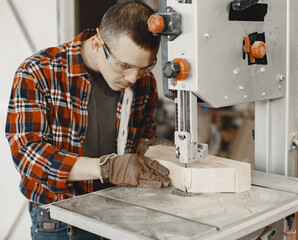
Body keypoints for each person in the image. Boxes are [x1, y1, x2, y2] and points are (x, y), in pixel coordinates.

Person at [5, 1, 173, 239]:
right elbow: (28, 155)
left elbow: (141, 133)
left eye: (145, 67)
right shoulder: (39, 72)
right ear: (97, 44)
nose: (134, 78)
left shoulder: (144, 81)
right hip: (60, 219)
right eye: (125, 66)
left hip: (120, 209)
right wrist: (107, 168)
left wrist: (149, 149)